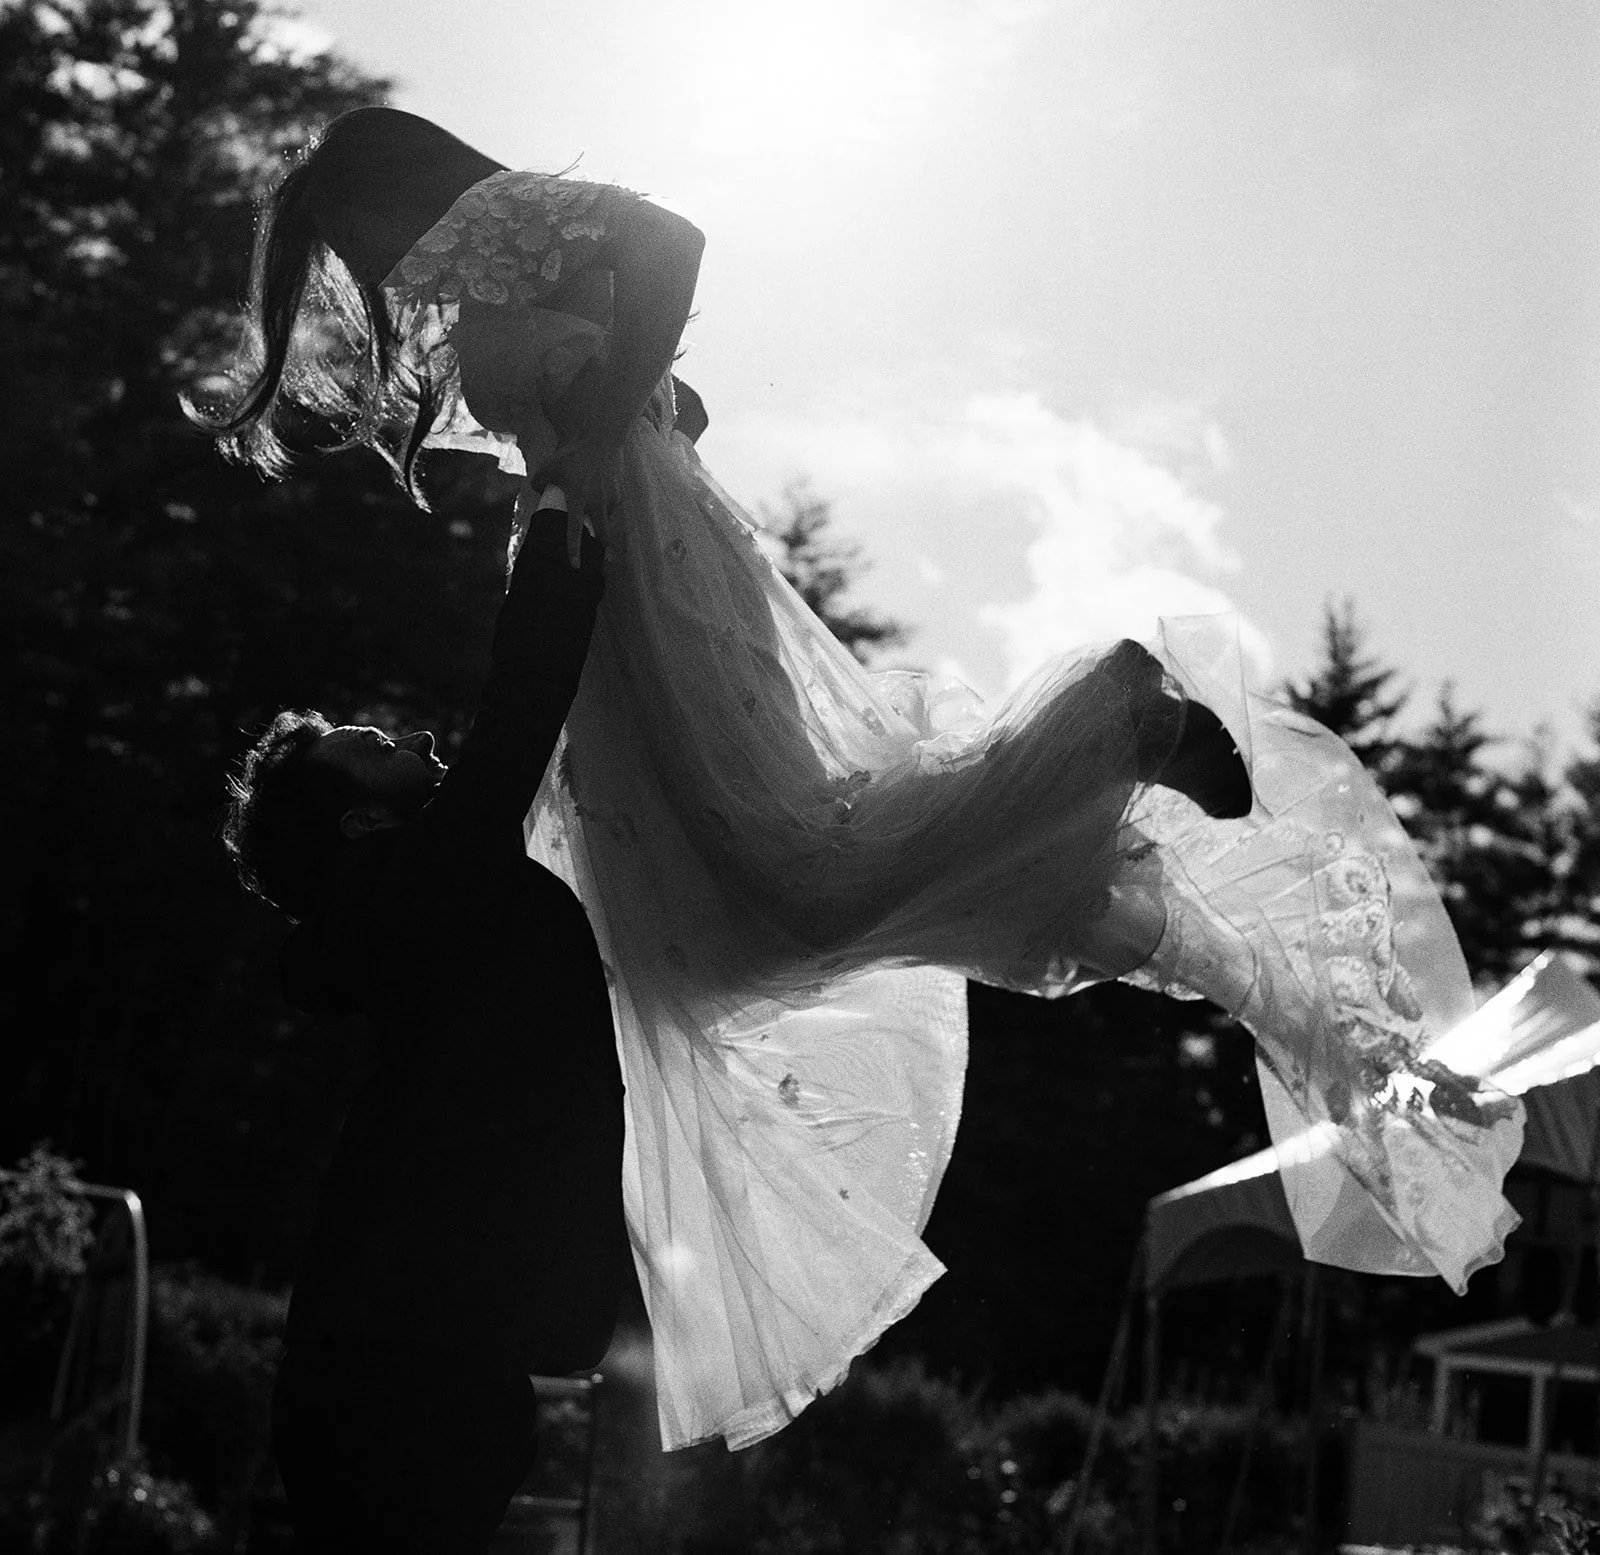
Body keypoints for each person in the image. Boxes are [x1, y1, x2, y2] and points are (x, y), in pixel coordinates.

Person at [199, 106, 1523, 1452]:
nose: (371, 269)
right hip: (611, 575)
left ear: (389, 187)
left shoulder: (514, 224)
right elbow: (669, 385)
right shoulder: (493, 263)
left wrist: (607, 424)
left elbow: (671, 243)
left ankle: (1112, 724)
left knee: (797, 876)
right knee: (723, 942)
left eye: (356, 235)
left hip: (634, 576)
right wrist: (633, 416)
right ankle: (1272, 965)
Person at [222, 498, 619, 1552]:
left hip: (406, 1366)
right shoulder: (421, 892)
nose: (420, 737)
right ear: (363, 818)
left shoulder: (426, 899)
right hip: (402, 1375)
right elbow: (521, 708)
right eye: (382, 744)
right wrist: (566, 517)